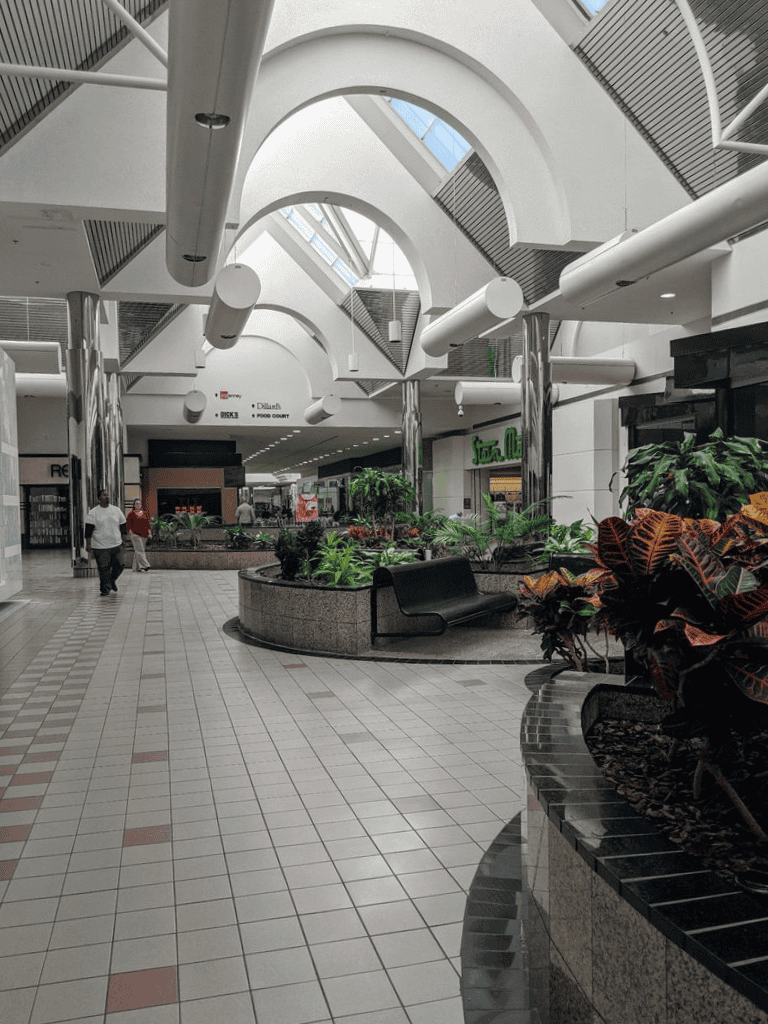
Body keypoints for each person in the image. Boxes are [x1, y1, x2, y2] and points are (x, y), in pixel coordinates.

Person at [85, 489, 127, 596]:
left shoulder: (116, 510)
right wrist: (88, 544)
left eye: (108, 495)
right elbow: (88, 530)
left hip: (116, 544)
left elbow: (123, 526)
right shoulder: (93, 512)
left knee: (121, 564)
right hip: (100, 546)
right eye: (104, 495)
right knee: (104, 568)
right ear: (99, 498)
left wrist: (124, 540)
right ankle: (105, 589)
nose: (107, 497)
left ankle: (111, 580)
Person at [126, 498, 152, 572]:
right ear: (134, 505)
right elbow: (128, 525)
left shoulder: (145, 513)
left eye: (139, 504)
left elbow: (148, 524)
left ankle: (136, 567)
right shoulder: (131, 513)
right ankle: (145, 565)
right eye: (136, 504)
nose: (138, 505)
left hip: (144, 535)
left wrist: (149, 533)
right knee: (140, 550)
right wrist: (131, 532)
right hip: (135, 534)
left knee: (138, 550)